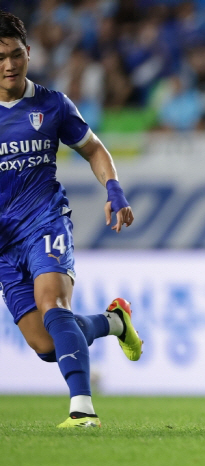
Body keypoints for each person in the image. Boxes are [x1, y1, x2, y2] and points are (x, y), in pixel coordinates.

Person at [0, 12, 142, 428]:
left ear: (28, 53)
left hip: (44, 221)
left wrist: (113, 190)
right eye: (0, 57)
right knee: (46, 344)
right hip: (4, 246)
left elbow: (95, 149)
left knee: (54, 304)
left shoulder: (52, 105)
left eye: (14, 55)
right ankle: (115, 322)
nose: (8, 65)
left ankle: (82, 408)